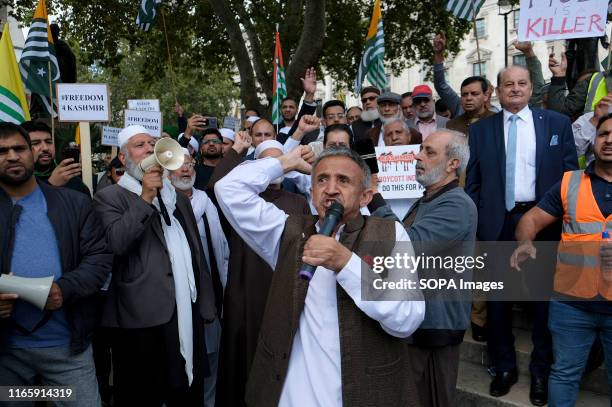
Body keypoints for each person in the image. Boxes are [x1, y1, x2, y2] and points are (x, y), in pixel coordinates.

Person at [214, 145, 425, 406]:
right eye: (322, 179)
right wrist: (285, 162)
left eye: (344, 180)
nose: (331, 189)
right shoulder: (288, 232)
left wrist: (346, 264)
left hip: (364, 393)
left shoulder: (390, 234)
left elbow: (407, 318)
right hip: (292, 394)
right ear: (312, 192)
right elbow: (228, 190)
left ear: (366, 195)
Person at [466, 65, 579, 405]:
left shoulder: (557, 125)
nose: (515, 89)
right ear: (496, 91)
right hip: (497, 225)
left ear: (532, 88)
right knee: (498, 303)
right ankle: (504, 366)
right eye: (507, 84)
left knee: (544, 303)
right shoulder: (481, 130)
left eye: (521, 83)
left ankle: (541, 370)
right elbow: (474, 183)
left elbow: (570, 177)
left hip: (544, 223)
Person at [93, 125, 217, 406]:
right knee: (142, 393)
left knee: (187, 390)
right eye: (139, 145)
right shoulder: (109, 198)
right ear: (124, 159)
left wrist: (206, 304)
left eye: (152, 143)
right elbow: (117, 244)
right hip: (140, 318)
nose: (149, 149)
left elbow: (196, 254)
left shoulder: (176, 198)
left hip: (186, 311)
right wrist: (145, 197)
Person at [0, 122, 112, 407]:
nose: (12, 156)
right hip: (7, 356)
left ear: (31, 152)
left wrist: (65, 289)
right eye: (2, 151)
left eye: (19, 148)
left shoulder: (74, 203)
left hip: (66, 351)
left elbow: (99, 259)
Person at [511, 113, 612, 406]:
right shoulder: (570, 183)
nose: (609, 140)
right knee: (564, 374)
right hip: (571, 305)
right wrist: (525, 243)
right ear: (593, 141)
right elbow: (529, 220)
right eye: (604, 134)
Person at [207, 136, 311, 407]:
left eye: (281, 159)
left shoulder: (298, 202)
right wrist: (284, 161)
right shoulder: (251, 205)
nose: (279, 167)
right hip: (249, 286)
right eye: (270, 161)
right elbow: (222, 187)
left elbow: (402, 318)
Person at [402, 130, 477, 406]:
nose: (418, 156)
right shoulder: (427, 199)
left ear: (453, 163)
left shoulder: (457, 204)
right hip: (418, 323)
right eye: (421, 149)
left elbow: (410, 246)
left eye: (429, 152)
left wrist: (374, 203)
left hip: (436, 326)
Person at [169, 149, 229, 407]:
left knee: (211, 359)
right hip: (174, 301)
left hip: (208, 298)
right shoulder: (163, 207)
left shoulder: (208, 204)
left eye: (189, 164)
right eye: (178, 165)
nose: (186, 170)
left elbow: (222, 253)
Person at [432, 33, 543, 116]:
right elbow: (441, 85)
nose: (469, 98)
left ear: (489, 93)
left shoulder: (501, 115)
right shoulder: (460, 108)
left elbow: (537, 92)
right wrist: (438, 55)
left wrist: (529, 53)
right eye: (465, 94)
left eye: (475, 93)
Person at [20, 121, 90, 196]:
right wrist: (51, 185)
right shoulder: (15, 180)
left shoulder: (71, 180)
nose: (45, 148)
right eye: (36, 143)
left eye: (49, 142)